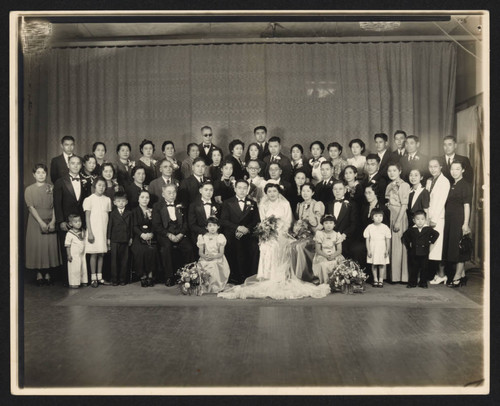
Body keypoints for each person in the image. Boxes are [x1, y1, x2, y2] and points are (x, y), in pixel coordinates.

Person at [218, 183, 330, 299]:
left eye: (274, 191)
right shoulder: (263, 204)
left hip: (282, 233)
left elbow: (288, 221)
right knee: (266, 245)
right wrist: (266, 231)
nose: (272, 194)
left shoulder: (285, 204)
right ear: (266, 193)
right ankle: (267, 276)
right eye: (269, 191)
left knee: (279, 244)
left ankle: (279, 277)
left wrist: (280, 231)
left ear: (278, 193)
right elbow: (261, 221)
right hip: (268, 233)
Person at [25, 163, 61, 286]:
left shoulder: (52, 188)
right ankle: (39, 274)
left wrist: (53, 221)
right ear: (34, 175)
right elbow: (30, 207)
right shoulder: (29, 189)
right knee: (38, 247)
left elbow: (56, 206)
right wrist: (40, 222)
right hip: (36, 221)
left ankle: (48, 273)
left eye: (43, 172)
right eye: (38, 173)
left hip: (50, 218)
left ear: (46, 174)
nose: (41, 175)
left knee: (48, 247)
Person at [152, 184, 195, 286]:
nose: (172, 195)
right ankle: (169, 276)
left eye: (174, 192)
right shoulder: (157, 206)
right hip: (165, 234)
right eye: (169, 193)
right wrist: (169, 235)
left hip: (179, 233)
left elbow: (185, 223)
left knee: (188, 248)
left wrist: (181, 234)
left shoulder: (181, 205)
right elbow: (156, 225)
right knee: (166, 248)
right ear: (163, 194)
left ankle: (188, 276)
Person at [219, 180, 260, 284]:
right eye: (240, 188)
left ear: (248, 190)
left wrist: (246, 229)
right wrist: (238, 228)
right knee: (236, 245)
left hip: (247, 233)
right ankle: (236, 277)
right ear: (235, 189)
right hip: (232, 232)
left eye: (244, 188)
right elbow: (223, 220)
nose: (242, 190)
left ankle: (251, 275)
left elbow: (256, 221)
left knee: (254, 246)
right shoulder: (227, 202)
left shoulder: (253, 203)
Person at [53, 155, 86, 285]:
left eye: (78, 163)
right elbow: (57, 203)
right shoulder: (60, 182)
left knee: (80, 251)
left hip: (80, 222)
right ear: (68, 165)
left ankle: (81, 279)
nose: (76, 166)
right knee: (68, 251)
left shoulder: (85, 181)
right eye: (73, 163)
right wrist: (61, 221)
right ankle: (68, 280)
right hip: (66, 222)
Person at [442, 161, 472, 288]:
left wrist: (465, 223)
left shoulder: (465, 185)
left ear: (463, 170)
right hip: (449, 220)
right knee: (454, 247)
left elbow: (467, 205)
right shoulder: (452, 184)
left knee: (459, 248)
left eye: (457, 169)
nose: (454, 171)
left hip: (458, 219)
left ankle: (457, 277)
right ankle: (463, 275)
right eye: (452, 169)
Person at [291, 183, 324, 282]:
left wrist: (308, 223)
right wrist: (298, 229)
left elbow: (318, 225)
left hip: (315, 235)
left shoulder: (317, 204)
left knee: (300, 246)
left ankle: (309, 275)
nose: (305, 193)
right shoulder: (300, 205)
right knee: (292, 246)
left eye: (308, 191)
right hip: (303, 235)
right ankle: (297, 274)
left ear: (312, 192)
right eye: (303, 191)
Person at [426, 158, 451, 285]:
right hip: (429, 217)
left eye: (435, 166)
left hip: (438, 218)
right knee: (432, 248)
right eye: (430, 166)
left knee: (438, 248)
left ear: (441, 167)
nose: (433, 169)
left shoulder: (444, 181)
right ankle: (437, 274)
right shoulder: (429, 181)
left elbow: (440, 202)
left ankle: (442, 274)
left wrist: (434, 219)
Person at [83, 177, 112, 287]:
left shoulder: (107, 200)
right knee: (94, 254)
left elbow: (108, 218)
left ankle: (100, 277)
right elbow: (87, 217)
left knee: (101, 254)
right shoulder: (89, 199)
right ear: (94, 186)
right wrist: (90, 232)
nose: (101, 187)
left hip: (103, 230)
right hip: (93, 230)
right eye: (99, 185)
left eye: (104, 186)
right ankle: (93, 278)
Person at [385, 163, 411, 283]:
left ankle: (400, 276)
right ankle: (392, 276)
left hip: (399, 215)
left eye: (394, 170)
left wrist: (398, 221)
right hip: (390, 215)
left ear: (400, 171)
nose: (391, 173)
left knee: (398, 245)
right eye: (389, 171)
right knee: (390, 244)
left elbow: (404, 205)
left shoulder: (404, 185)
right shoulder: (389, 185)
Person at [402, 210, 440, 289]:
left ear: (425, 220)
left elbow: (436, 234)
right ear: (414, 220)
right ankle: (412, 282)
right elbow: (404, 237)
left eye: (422, 219)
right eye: (418, 219)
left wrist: (430, 241)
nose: (420, 221)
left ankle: (423, 283)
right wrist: (409, 245)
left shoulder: (428, 229)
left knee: (424, 268)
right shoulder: (411, 229)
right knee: (413, 268)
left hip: (424, 252)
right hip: (414, 252)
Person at [325, 181, 359, 260]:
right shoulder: (328, 204)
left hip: (346, 238)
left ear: (345, 190)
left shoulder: (352, 204)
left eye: (340, 189)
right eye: (335, 189)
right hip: (330, 237)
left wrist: (344, 235)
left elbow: (354, 224)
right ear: (332, 190)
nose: (337, 191)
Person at [130, 190, 157, 287]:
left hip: (150, 236)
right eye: (142, 197)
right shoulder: (134, 211)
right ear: (138, 199)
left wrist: (152, 233)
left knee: (152, 250)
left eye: (147, 197)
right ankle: (142, 276)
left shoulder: (152, 211)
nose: (145, 199)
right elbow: (134, 226)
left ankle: (150, 274)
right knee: (140, 250)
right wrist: (142, 234)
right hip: (138, 236)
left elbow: (155, 225)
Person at [197, 217, 230, 293]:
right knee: (204, 263)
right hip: (206, 257)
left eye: (214, 225)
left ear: (218, 226)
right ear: (206, 227)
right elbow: (200, 252)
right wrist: (204, 256)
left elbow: (221, 253)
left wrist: (213, 257)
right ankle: (206, 285)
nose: (212, 228)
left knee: (213, 264)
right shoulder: (202, 237)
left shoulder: (220, 237)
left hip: (217, 257)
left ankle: (215, 286)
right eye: (210, 225)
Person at [106, 192, 133, 287]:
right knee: (114, 260)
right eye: (118, 201)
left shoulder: (129, 213)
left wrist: (131, 237)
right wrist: (108, 238)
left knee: (124, 260)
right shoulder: (113, 214)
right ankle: (114, 279)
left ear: (126, 202)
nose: (121, 203)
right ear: (114, 202)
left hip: (125, 239)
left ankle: (123, 279)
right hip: (114, 239)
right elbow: (110, 226)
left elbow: (131, 226)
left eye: (123, 201)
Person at [363, 208, 391, 288]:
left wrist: (387, 250)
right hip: (373, 247)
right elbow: (367, 240)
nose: (378, 218)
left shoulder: (385, 227)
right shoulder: (369, 227)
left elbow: (387, 240)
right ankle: (375, 279)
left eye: (380, 216)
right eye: (376, 216)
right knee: (374, 264)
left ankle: (381, 279)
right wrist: (368, 250)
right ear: (372, 217)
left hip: (382, 248)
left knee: (382, 264)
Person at [312, 214, 343, 284]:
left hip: (334, 254)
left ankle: (336, 282)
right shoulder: (319, 234)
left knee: (340, 262)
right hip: (322, 254)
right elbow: (318, 250)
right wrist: (326, 256)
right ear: (322, 224)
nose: (328, 225)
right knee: (323, 264)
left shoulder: (337, 234)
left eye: (331, 223)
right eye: (326, 223)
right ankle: (325, 281)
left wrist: (333, 256)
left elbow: (339, 250)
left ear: (334, 224)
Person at [64, 214, 88, 289]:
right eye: (76, 222)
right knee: (75, 268)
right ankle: (74, 282)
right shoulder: (69, 233)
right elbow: (67, 245)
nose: (78, 223)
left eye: (79, 221)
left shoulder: (83, 231)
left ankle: (83, 280)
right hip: (74, 254)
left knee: (83, 267)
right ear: (70, 224)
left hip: (82, 253)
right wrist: (69, 255)